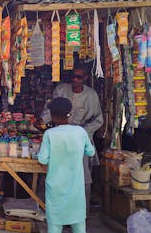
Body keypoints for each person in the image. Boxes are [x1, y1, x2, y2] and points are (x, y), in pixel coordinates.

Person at [38, 97, 95, 233]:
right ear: (70, 114)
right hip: (76, 189)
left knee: (55, 230)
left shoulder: (50, 135)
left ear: (52, 116)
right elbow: (90, 152)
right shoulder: (80, 132)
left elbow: (43, 160)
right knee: (80, 230)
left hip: (56, 189)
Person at [39, 68, 103, 213]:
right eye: (73, 77)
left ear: (85, 78)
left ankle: (80, 211)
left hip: (81, 138)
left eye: (79, 77)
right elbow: (51, 109)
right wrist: (42, 120)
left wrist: (81, 132)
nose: (75, 80)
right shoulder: (61, 90)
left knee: (82, 178)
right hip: (61, 138)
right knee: (60, 177)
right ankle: (57, 210)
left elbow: (98, 120)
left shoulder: (91, 95)